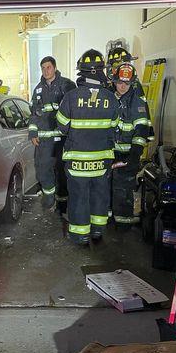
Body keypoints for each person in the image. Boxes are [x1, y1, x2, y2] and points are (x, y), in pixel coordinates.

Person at [57, 49, 119, 245]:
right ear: (101, 71)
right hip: (102, 160)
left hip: (77, 160)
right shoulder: (112, 98)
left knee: (79, 196)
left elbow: (61, 126)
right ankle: (98, 231)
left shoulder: (71, 97)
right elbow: (114, 126)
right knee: (100, 195)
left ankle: (80, 235)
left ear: (82, 72)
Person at [28, 56, 75, 211]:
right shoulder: (38, 89)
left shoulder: (67, 85)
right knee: (43, 169)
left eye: (48, 67)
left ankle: (63, 201)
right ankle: (49, 198)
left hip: (63, 138)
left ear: (54, 67)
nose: (46, 70)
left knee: (63, 170)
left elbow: (74, 110)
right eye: (43, 68)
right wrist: (33, 132)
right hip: (44, 140)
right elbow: (34, 113)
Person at [110, 62, 152, 230]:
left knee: (123, 189)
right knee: (105, 187)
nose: (122, 86)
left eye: (126, 83)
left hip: (127, 155)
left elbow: (141, 129)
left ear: (132, 83)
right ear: (114, 81)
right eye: (120, 82)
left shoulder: (137, 102)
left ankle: (123, 224)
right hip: (109, 153)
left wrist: (134, 155)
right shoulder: (109, 98)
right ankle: (107, 220)